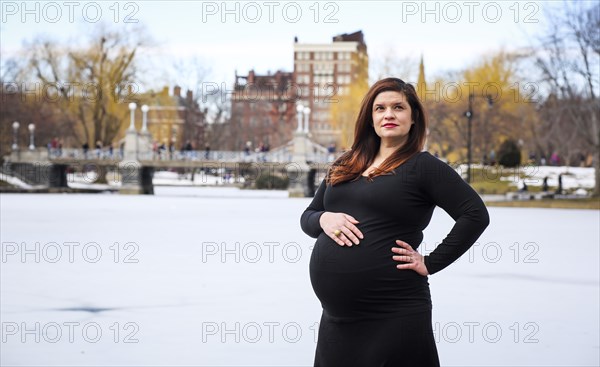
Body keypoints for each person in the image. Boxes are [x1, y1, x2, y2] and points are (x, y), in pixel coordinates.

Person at [300, 78, 490, 367]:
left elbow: (475, 215)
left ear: (413, 118)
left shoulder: (424, 167)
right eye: (380, 108)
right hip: (337, 321)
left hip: (393, 313)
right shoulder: (346, 163)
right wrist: (324, 218)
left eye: (398, 107)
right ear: (370, 117)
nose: (389, 114)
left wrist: (431, 262)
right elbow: (308, 217)